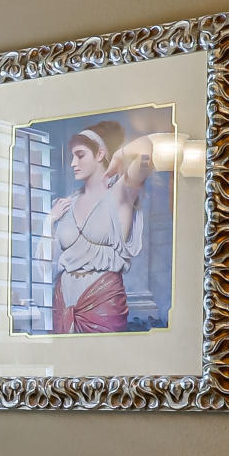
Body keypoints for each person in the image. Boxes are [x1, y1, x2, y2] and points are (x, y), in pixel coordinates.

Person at [48, 120, 153, 333]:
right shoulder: (65, 205)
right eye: (71, 157)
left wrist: (119, 156)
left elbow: (147, 151)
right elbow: (47, 263)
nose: (72, 163)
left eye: (80, 155)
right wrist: (48, 221)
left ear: (99, 154)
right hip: (62, 303)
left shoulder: (120, 193)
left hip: (102, 303)